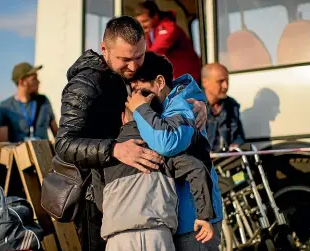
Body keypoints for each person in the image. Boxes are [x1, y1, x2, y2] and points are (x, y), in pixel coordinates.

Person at [55, 16, 208, 251]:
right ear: (104, 49)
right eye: (125, 59)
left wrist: (195, 103)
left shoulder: (139, 67)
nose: (134, 67)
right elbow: (64, 144)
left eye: (139, 56)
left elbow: (169, 84)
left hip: (145, 199)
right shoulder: (83, 86)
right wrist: (115, 149)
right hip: (96, 200)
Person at [102, 52, 218, 251]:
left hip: (194, 218)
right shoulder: (167, 107)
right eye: (134, 92)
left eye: (141, 90)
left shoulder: (182, 107)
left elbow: (167, 143)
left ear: (160, 82)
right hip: (180, 218)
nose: (137, 97)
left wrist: (140, 109)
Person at [134, 1, 201, 81]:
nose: (142, 25)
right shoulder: (150, 31)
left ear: (155, 16)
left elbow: (155, 51)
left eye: (145, 21)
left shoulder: (169, 28)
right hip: (173, 76)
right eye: (139, 22)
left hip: (186, 76)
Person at [0, 62, 58, 143]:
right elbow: (3, 144)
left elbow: (57, 133)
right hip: (20, 155)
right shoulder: (4, 108)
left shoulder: (44, 101)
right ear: (22, 82)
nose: (39, 82)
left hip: (44, 154)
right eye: (34, 79)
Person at [201, 63, 245, 152]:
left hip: (225, 162)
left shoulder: (232, 105)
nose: (225, 86)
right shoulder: (191, 106)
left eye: (227, 81)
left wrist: (235, 145)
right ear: (205, 82)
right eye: (220, 81)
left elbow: (239, 136)